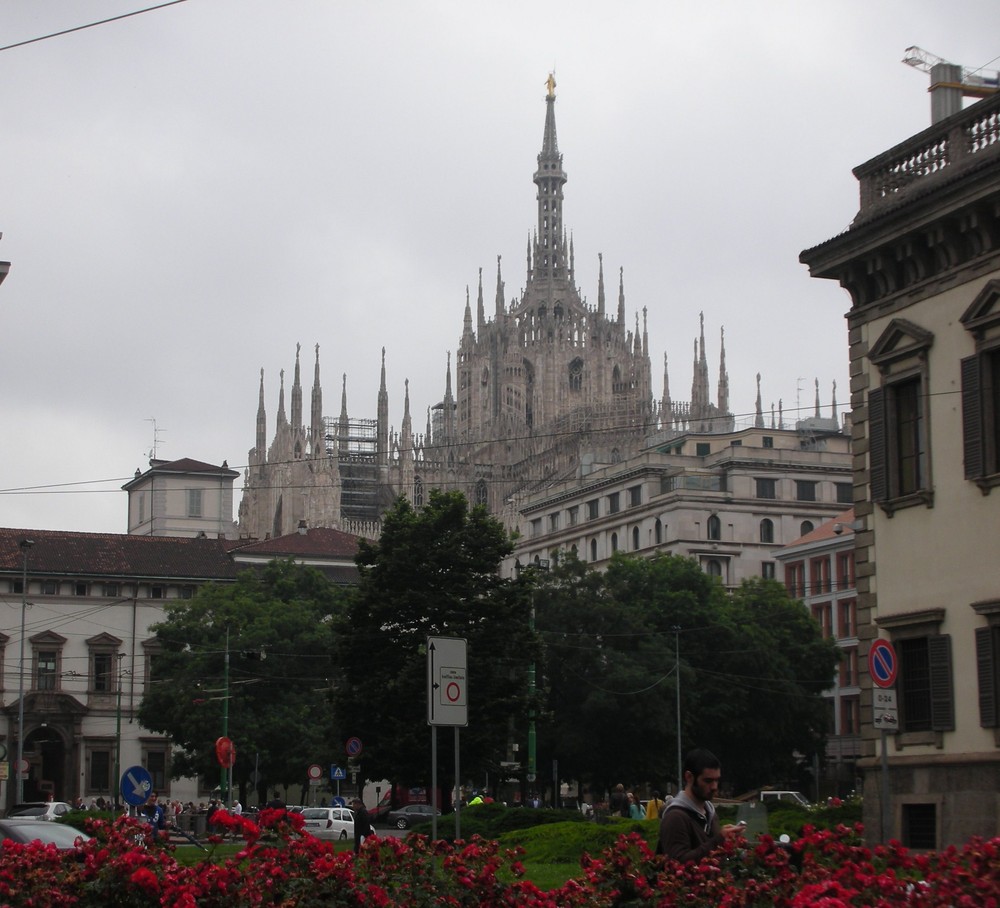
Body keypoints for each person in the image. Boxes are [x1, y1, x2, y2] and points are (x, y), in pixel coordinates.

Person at [657, 748, 743, 862]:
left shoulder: (711, 814)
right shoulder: (675, 817)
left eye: (717, 780)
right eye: (708, 781)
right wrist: (719, 839)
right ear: (689, 777)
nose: (714, 787)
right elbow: (678, 862)